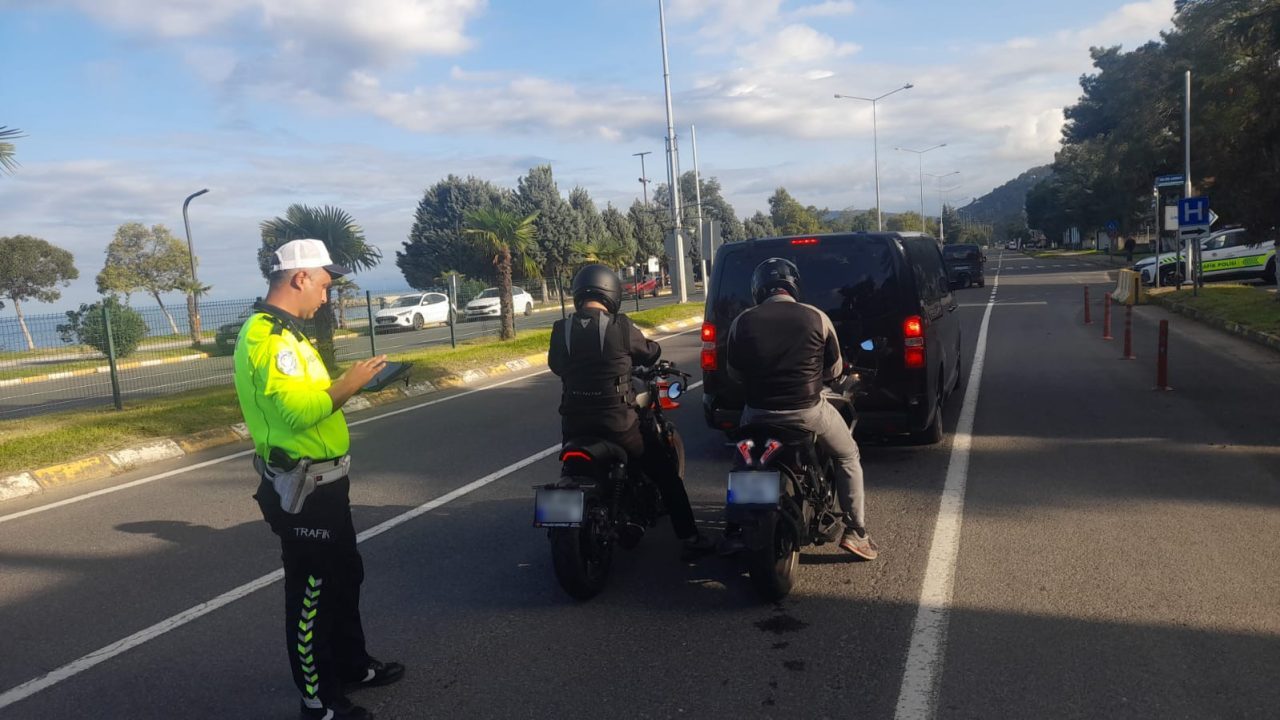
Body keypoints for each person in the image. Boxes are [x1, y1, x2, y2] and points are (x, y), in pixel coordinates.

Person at [234, 239, 404, 720]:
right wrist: (351, 382)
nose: (326, 297)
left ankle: (351, 666)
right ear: (300, 278)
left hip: (328, 484)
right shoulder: (267, 338)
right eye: (325, 285)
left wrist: (353, 383)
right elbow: (299, 412)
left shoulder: (289, 333)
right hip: (303, 488)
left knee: (345, 576)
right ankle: (318, 700)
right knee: (312, 594)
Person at [548, 264, 715, 559]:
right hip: (619, 425)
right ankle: (690, 536)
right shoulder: (621, 326)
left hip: (574, 425)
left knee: (569, 471)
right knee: (665, 473)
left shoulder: (561, 329)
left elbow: (557, 365)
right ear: (612, 293)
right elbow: (650, 353)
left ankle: (564, 518)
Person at [723, 257, 878, 560]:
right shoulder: (816, 317)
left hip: (757, 413)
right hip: (808, 412)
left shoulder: (741, 321)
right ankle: (856, 532)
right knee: (848, 455)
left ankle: (735, 529)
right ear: (793, 286)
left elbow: (735, 374)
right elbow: (833, 371)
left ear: (758, 290)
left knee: (744, 462)